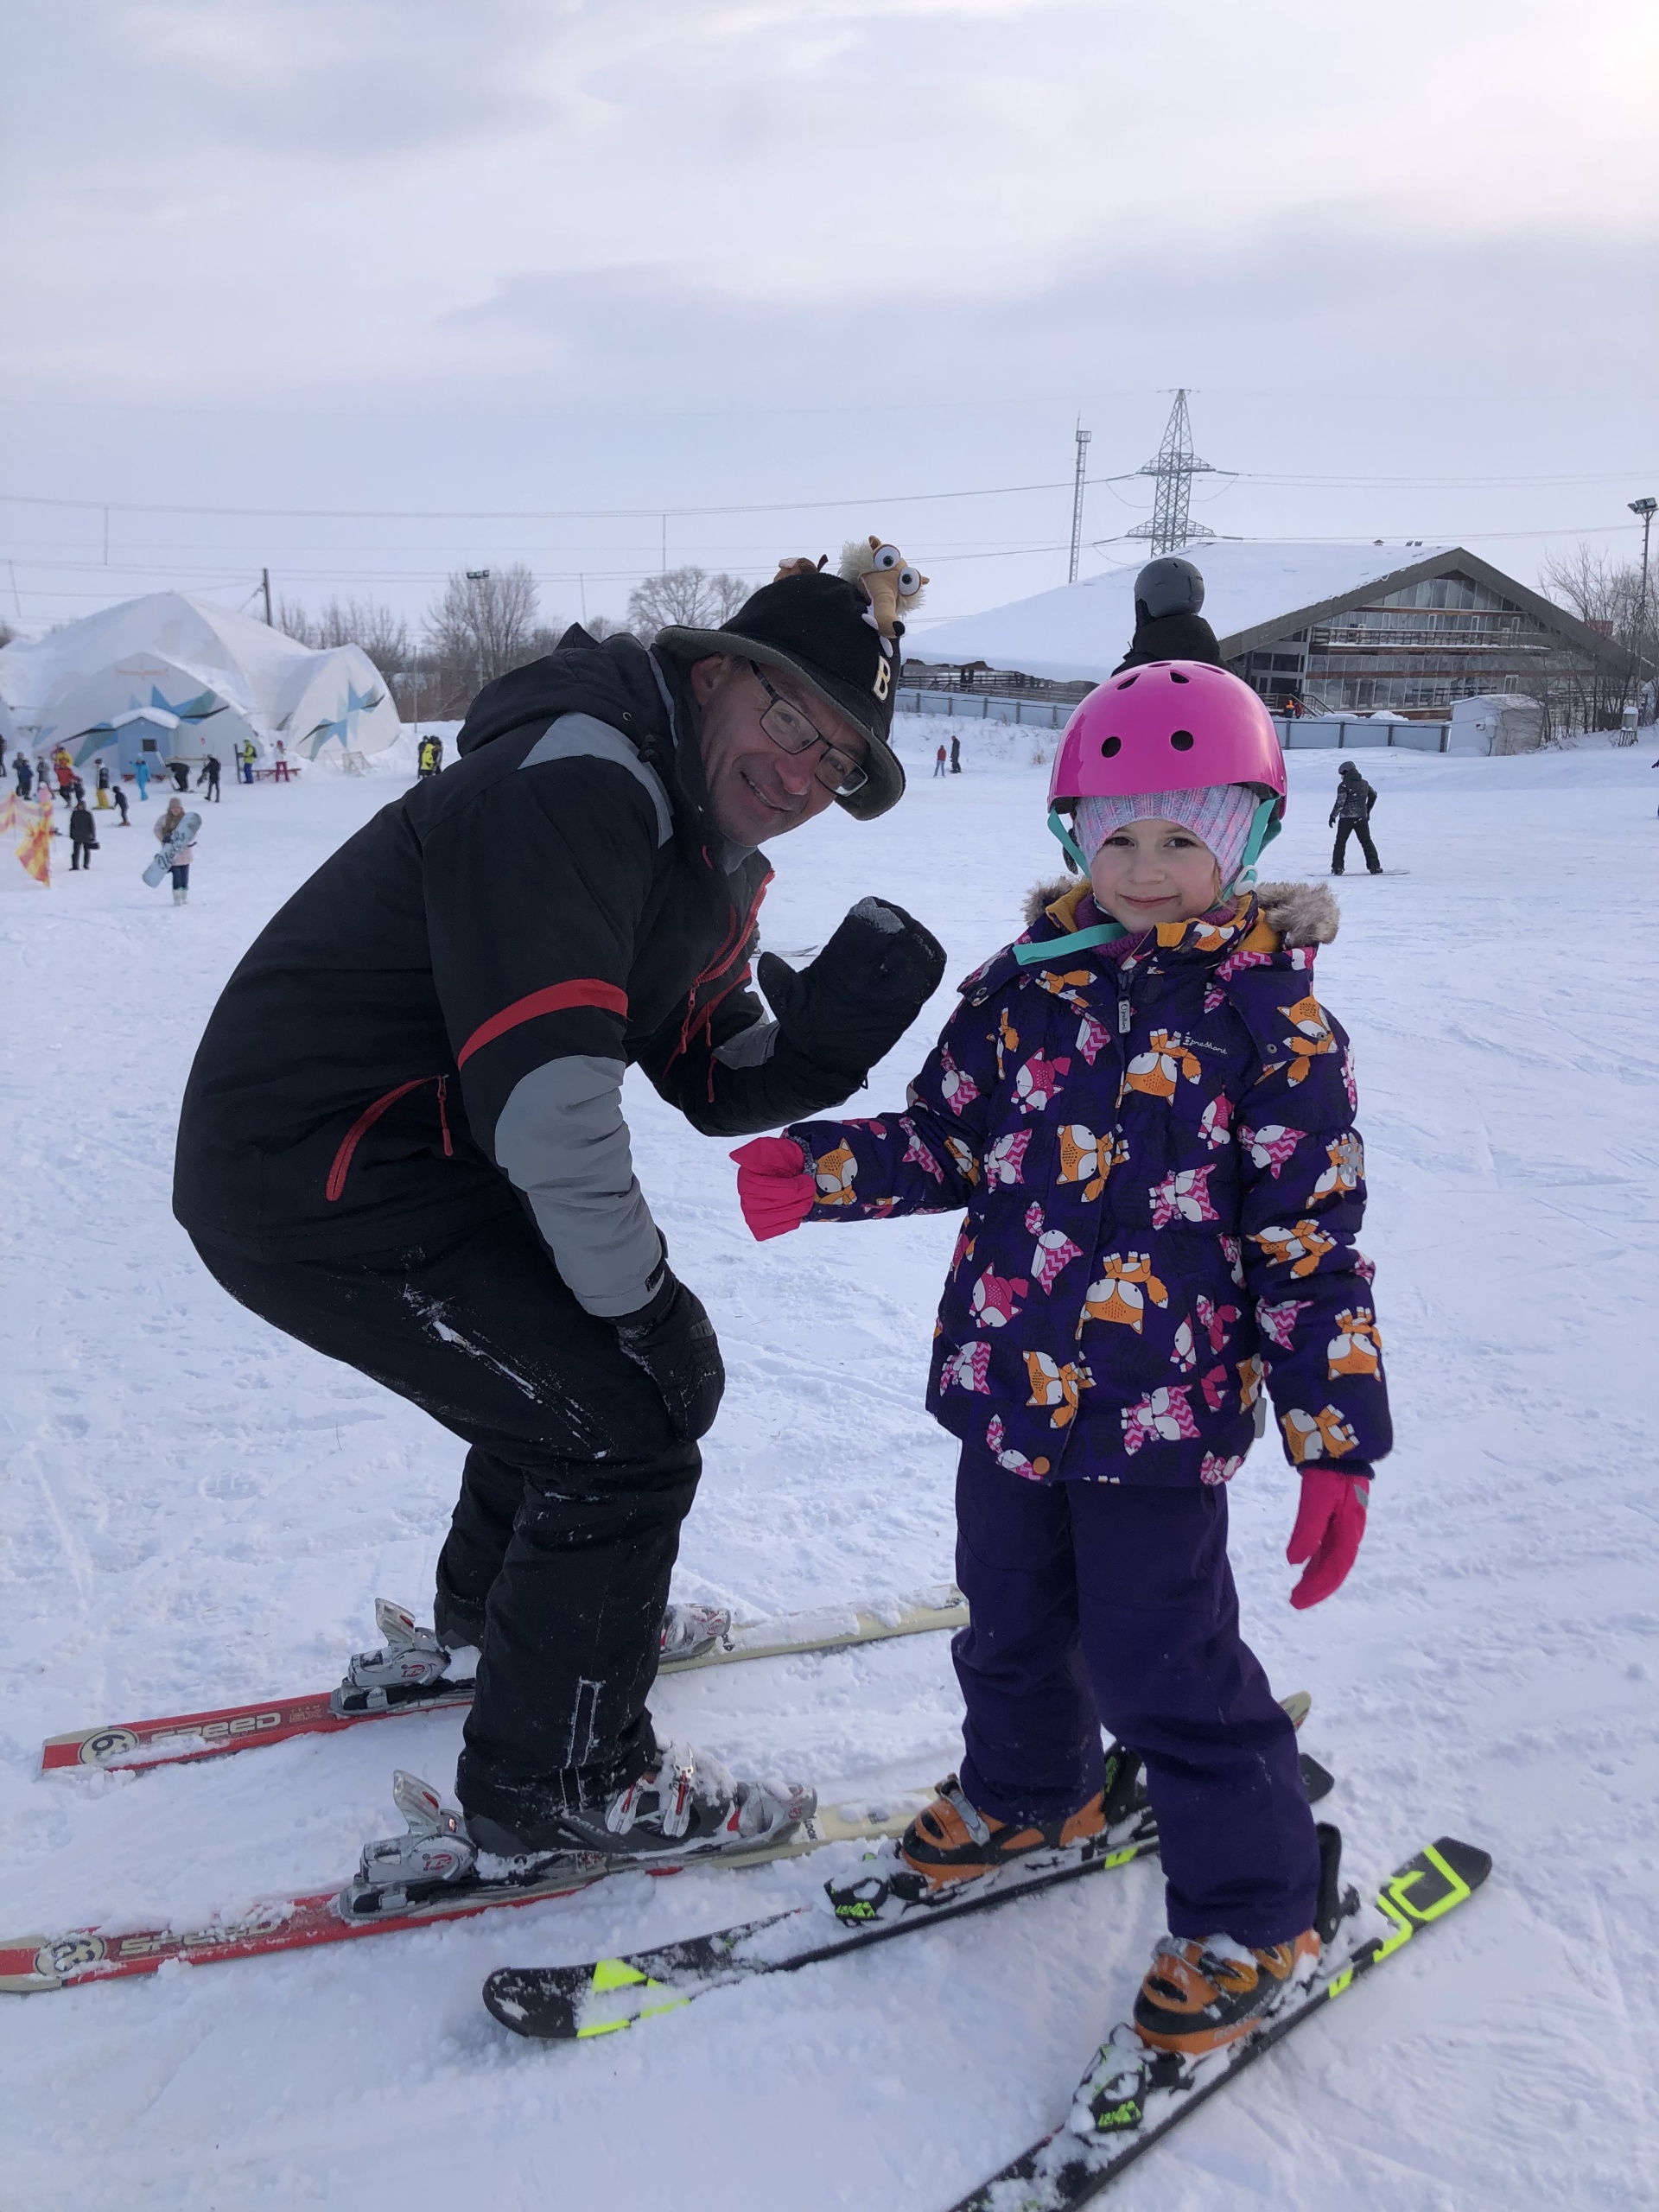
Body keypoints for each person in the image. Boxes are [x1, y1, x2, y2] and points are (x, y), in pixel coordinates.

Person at [172, 556, 948, 1866]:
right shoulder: (585, 782)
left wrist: (819, 1045)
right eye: (791, 717)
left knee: (591, 1396)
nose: (807, 770)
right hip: (315, 1169)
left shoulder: (692, 835)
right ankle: (561, 1778)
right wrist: (643, 1306)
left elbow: (701, 1067)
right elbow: (548, 1107)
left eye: (839, 758)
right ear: (714, 675)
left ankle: (507, 1625)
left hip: (405, 1159)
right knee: (623, 1427)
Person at [734, 658, 1389, 2063]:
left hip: (1159, 1416)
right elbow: (954, 1138)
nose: (1147, 868)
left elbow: (1313, 1249)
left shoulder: (1272, 1026)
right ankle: (1037, 1790)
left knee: (1165, 1664)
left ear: (1247, 839)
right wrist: (827, 1170)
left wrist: (1338, 1442)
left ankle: (1261, 1904)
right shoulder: (1028, 987)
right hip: (1009, 1382)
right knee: (1010, 1616)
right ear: (1073, 837)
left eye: (1184, 836)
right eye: (1118, 834)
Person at [1328, 760, 1382, 875]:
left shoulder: (1344, 785)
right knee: (1367, 842)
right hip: (1362, 818)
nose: (1341, 777)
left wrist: (1333, 816)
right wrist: (1367, 810)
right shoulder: (1364, 783)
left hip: (1346, 819)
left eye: (1342, 774)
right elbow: (1374, 795)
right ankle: (1375, 866)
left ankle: (1338, 868)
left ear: (1346, 772)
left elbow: (1340, 803)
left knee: (1340, 843)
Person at [155, 795, 196, 905]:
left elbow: (193, 832)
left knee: (185, 876)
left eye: (178, 808)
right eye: (173, 808)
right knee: (177, 875)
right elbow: (157, 829)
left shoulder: (186, 819)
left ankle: (184, 895)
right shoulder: (164, 819)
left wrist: (187, 839)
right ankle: (177, 897)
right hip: (172, 853)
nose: (176, 810)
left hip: (185, 853)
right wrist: (164, 838)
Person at [68, 797, 97, 869]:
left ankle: (86, 865)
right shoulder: (75, 813)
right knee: (76, 852)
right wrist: (71, 834)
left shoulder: (88, 814)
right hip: (77, 835)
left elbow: (92, 825)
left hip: (86, 835)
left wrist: (93, 835)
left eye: (81, 805)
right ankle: (75, 866)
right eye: (79, 805)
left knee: (86, 851)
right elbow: (72, 825)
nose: (80, 807)